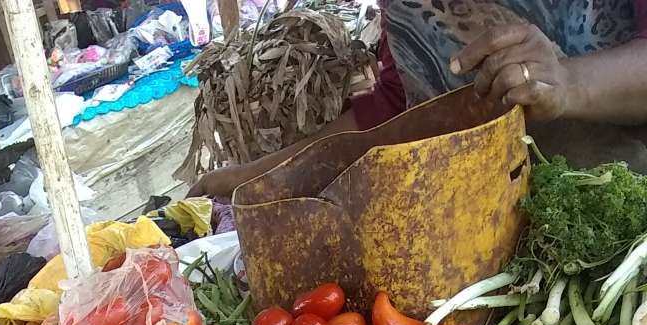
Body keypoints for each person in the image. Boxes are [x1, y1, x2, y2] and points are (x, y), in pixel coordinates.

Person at [190, 1, 647, 199]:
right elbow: (398, 108)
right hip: (477, 224)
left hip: (618, 208)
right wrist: (254, 175)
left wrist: (567, 83)